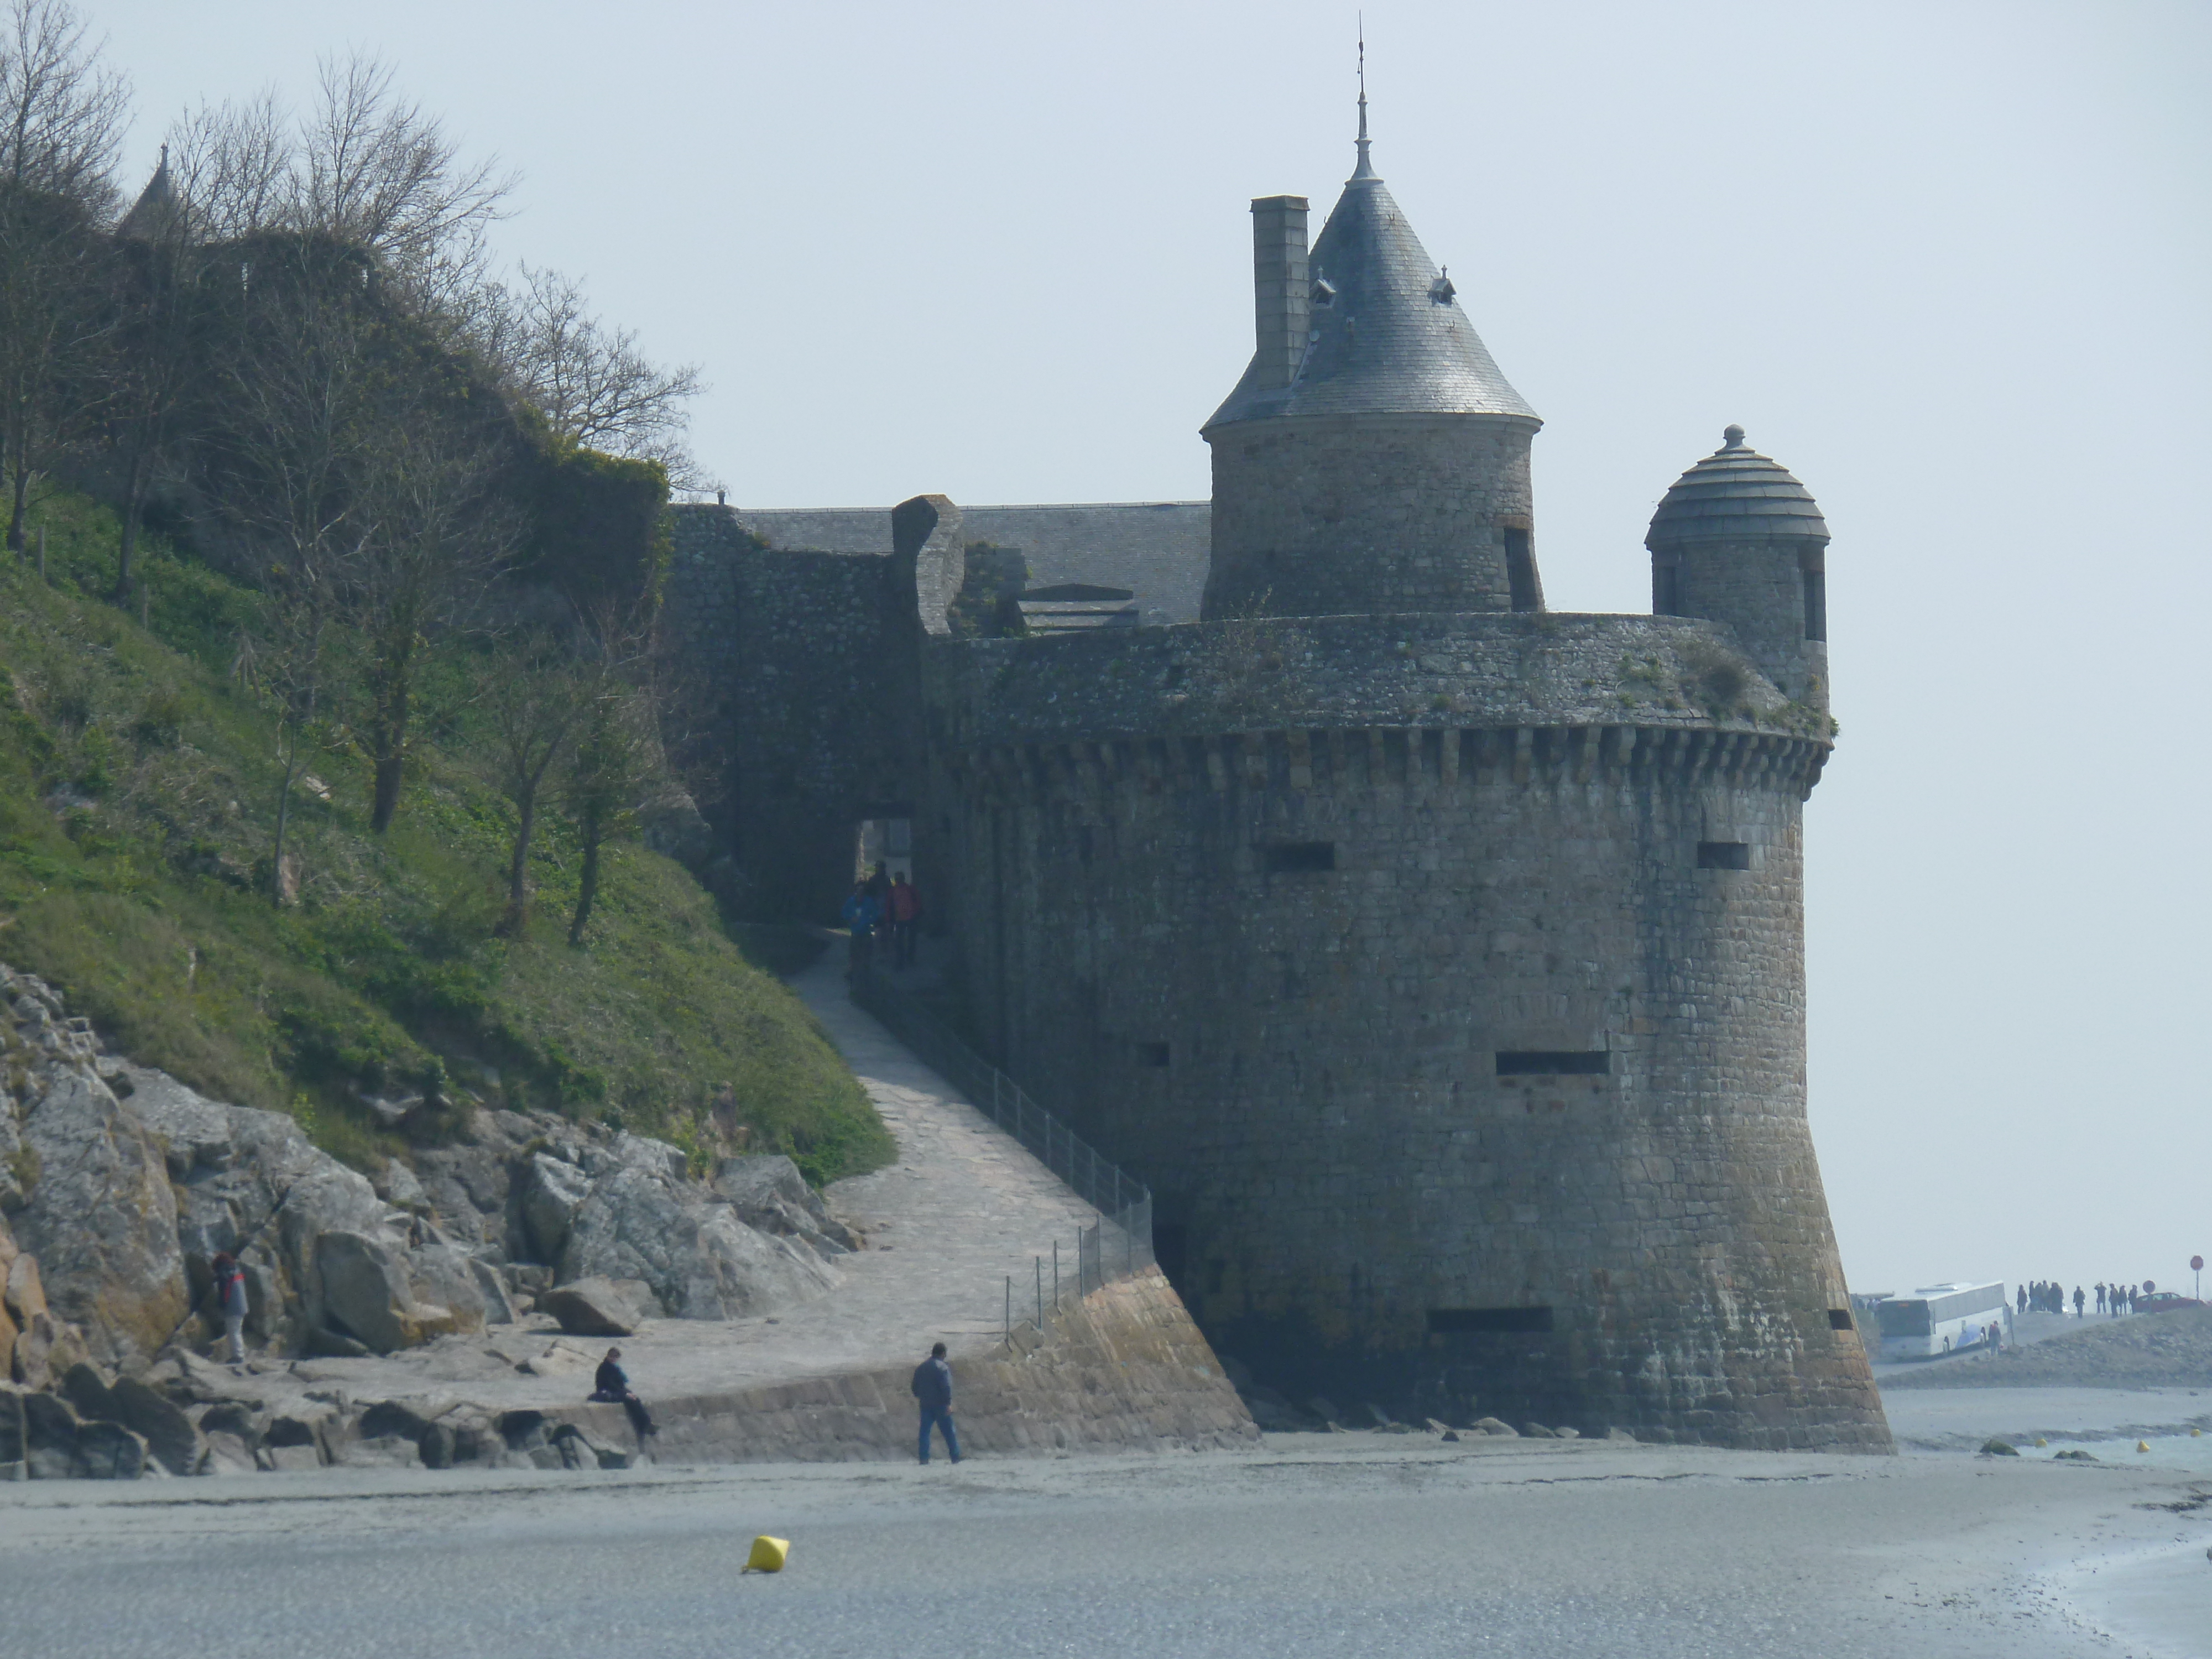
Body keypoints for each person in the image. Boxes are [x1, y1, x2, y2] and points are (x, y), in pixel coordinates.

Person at [590, 1347, 658, 1441]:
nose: (614, 1359)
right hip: (606, 1392)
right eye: (612, 1357)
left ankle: (646, 1424)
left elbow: (620, 1384)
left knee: (635, 1399)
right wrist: (625, 1394)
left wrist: (628, 1392)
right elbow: (610, 1385)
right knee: (630, 1400)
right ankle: (644, 1425)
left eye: (616, 1358)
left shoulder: (615, 1368)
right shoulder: (605, 1368)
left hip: (616, 1391)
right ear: (608, 1357)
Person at [911, 1340, 961, 1465]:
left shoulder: (921, 1367)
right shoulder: (943, 1367)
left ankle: (924, 1459)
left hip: (926, 1405)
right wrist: (948, 1403)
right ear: (943, 1354)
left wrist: (920, 1396)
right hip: (941, 1405)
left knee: (924, 1433)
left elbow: (914, 1387)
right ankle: (955, 1458)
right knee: (949, 1433)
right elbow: (946, 1386)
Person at [210, 1251, 249, 1363]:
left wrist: (222, 1305)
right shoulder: (236, 1271)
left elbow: (225, 1292)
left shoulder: (225, 1275)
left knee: (234, 1332)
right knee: (237, 1331)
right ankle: (239, 1355)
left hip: (233, 1308)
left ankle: (238, 1356)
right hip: (242, 1306)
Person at [841, 880, 880, 975]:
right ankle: (851, 971)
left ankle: (866, 971)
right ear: (856, 891)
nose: (860, 892)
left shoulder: (869, 901)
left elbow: (875, 914)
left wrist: (869, 921)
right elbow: (844, 912)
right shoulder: (851, 901)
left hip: (866, 932)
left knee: (867, 953)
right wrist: (851, 918)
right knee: (853, 954)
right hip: (855, 932)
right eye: (858, 890)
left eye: (862, 890)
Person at [889, 873, 921, 970]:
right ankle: (900, 962)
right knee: (899, 942)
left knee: (911, 940)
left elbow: (918, 901)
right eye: (897, 879)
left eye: (900, 879)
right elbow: (889, 906)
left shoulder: (910, 889)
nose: (898, 881)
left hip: (911, 918)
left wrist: (915, 913)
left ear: (903, 879)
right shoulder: (893, 891)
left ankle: (910, 959)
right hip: (899, 919)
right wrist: (889, 919)